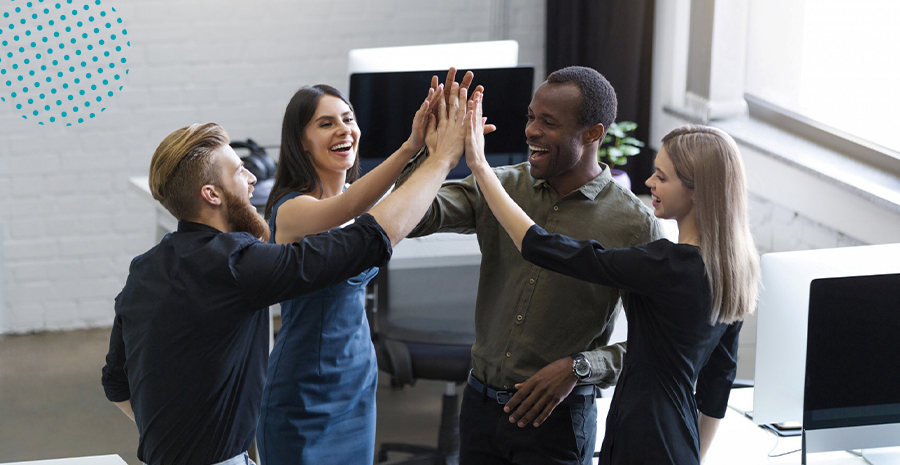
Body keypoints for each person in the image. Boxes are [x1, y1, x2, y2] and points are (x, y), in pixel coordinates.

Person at [101, 84, 469, 465]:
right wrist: (439, 159)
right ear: (212, 195)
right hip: (292, 406)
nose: (252, 180)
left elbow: (116, 383)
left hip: (344, 388)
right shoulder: (239, 266)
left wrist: (174, 443)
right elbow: (366, 241)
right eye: (240, 172)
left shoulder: (145, 268)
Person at [463, 90, 760, 464]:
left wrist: (480, 166)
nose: (650, 182)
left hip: (640, 434)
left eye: (662, 177)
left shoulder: (667, 264)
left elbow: (541, 247)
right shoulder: (735, 270)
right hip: (678, 438)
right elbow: (719, 383)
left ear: (697, 191)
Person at [397, 66, 663, 464]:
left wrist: (580, 367)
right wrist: (429, 151)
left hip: (555, 421)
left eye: (549, 122)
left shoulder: (634, 225)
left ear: (593, 133)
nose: (531, 131)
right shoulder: (502, 185)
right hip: (480, 409)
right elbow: (413, 217)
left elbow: (659, 343)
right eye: (531, 117)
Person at [255, 77, 469, 464]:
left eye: (348, 119)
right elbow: (359, 210)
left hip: (356, 375)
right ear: (300, 141)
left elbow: (376, 205)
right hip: (305, 387)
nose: (343, 131)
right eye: (326, 123)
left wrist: (422, 143)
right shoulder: (291, 211)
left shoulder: (353, 203)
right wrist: (422, 152)